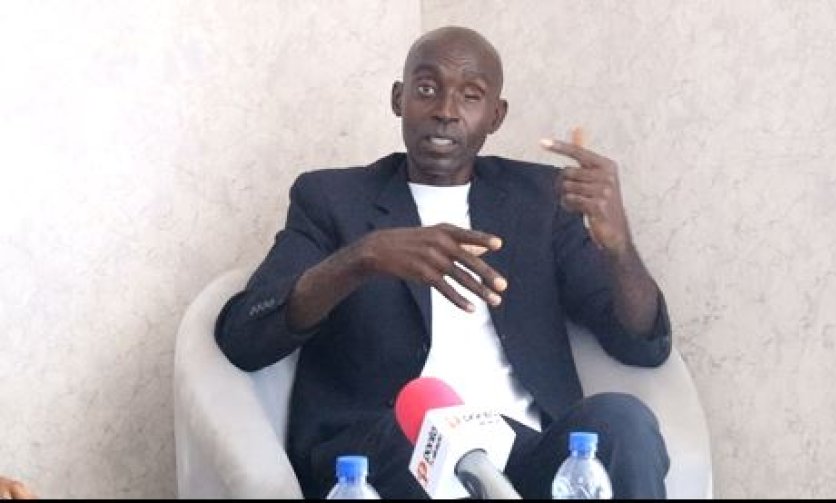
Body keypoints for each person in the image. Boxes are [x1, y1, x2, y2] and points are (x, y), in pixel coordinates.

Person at [216, 26, 672, 499]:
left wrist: (618, 247)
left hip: (523, 456)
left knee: (623, 421)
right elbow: (243, 337)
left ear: (496, 116)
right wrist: (362, 258)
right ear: (399, 98)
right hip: (387, 450)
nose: (446, 111)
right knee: (418, 440)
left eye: (470, 96)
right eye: (427, 89)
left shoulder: (539, 201)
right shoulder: (333, 199)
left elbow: (642, 345)